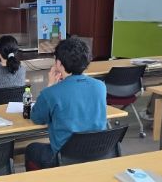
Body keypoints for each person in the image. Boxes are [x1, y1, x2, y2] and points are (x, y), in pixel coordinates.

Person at [25, 38, 107, 170]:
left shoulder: (51, 93)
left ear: (58, 63)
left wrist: (50, 85)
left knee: (31, 149)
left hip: (63, 158)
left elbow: (36, 118)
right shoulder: (100, 86)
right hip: (98, 154)